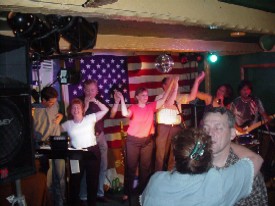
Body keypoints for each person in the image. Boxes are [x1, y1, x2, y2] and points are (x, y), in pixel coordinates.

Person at [140, 128, 263, 206]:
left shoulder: (155, 181)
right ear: (209, 156)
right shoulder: (218, 183)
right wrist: (226, 142)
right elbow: (256, 159)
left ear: (176, 155)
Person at [118, 77, 177, 201]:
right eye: (143, 95)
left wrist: (172, 84)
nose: (146, 97)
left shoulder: (151, 107)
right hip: (133, 142)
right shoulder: (133, 108)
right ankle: (127, 192)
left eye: (147, 95)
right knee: (131, 167)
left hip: (147, 142)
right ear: (137, 97)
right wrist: (122, 100)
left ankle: (142, 192)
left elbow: (164, 98)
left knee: (145, 169)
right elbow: (124, 113)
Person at [202, 107, 268, 206]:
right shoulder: (193, 163)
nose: (210, 134)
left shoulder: (248, 172)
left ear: (232, 134)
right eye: (205, 128)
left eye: (218, 128)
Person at [61, 98, 109, 206]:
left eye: (78, 107)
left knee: (92, 181)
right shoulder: (68, 124)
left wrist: (96, 101)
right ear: (71, 111)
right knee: (75, 182)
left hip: (92, 152)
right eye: (74, 107)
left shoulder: (90, 118)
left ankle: (92, 203)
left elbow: (105, 110)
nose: (76, 109)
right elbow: (55, 129)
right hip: (75, 154)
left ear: (83, 110)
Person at [155, 71, 205, 172]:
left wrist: (197, 81)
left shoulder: (178, 97)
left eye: (174, 83)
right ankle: (158, 175)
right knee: (160, 154)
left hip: (176, 127)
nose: (173, 84)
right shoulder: (159, 97)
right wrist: (176, 84)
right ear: (164, 86)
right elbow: (169, 103)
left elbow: (192, 97)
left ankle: (171, 173)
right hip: (163, 127)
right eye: (170, 83)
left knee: (174, 153)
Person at [32, 86, 65, 206]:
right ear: (43, 100)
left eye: (54, 102)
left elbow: (61, 114)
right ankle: (49, 202)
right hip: (43, 146)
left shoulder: (56, 104)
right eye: (50, 102)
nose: (53, 104)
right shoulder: (34, 109)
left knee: (60, 176)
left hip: (57, 143)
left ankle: (60, 202)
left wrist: (61, 115)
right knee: (48, 180)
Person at [79, 79, 110, 203]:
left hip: (100, 136)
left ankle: (99, 193)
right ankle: (83, 195)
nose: (90, 92)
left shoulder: (100, 100)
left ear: (97, 90)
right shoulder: (79, 101)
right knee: (87, 168)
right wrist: (85, 105)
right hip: (87, 139)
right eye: (87, 90)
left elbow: (109, 113)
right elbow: (77, 119)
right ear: (84, 90)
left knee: (103, 165)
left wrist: (96, 101)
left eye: (92, 90)